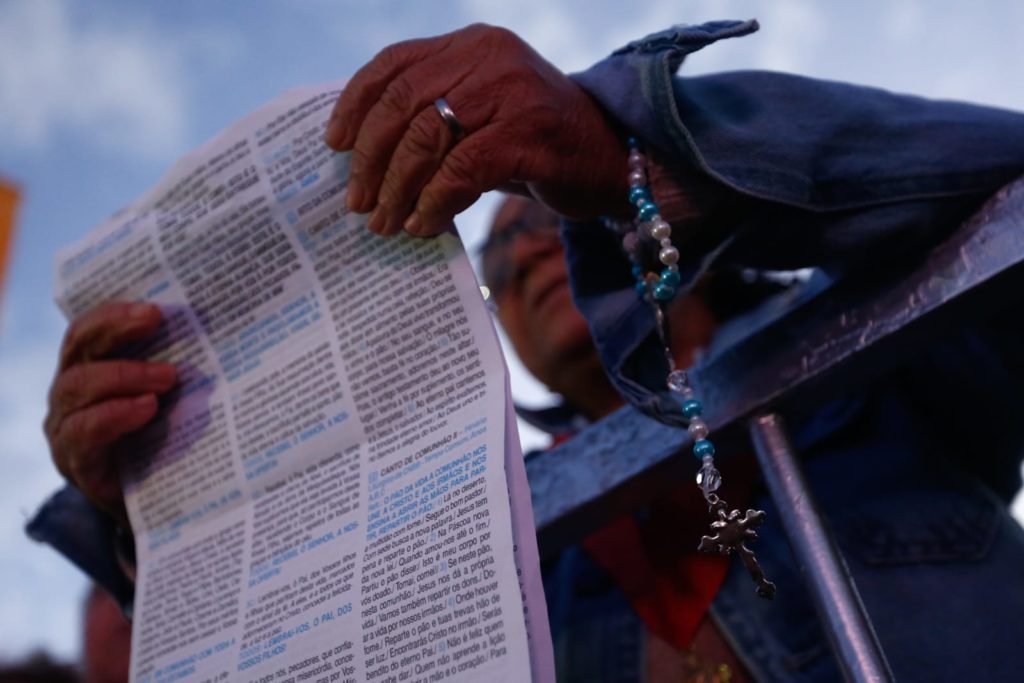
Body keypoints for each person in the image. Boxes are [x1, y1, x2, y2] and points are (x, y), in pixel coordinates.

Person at [40, 18, 1024, 682]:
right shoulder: (492, 529)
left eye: (550, 220)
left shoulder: (876, 367)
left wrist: (623, 141)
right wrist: (144, 483)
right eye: (498, 259)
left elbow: (1000, 183)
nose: (523, 255)